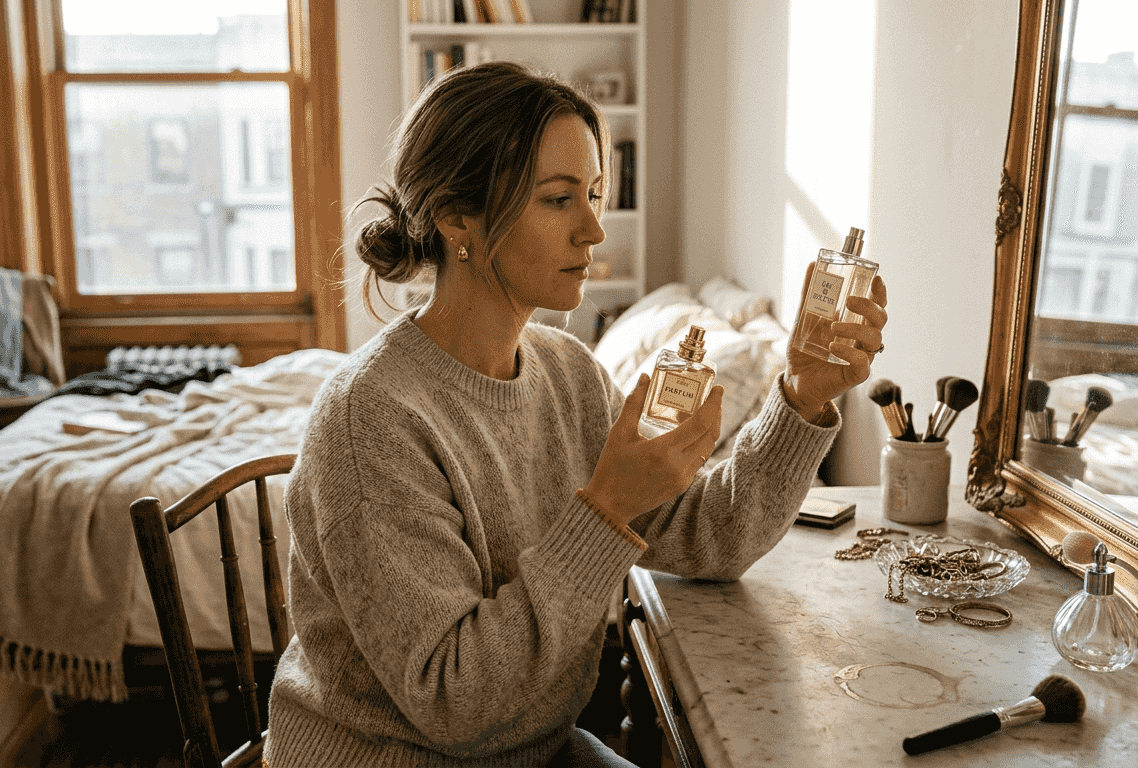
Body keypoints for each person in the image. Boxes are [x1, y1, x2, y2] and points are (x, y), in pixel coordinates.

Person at [264, 61, 888, 767]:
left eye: (593, 193)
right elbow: (454, 701)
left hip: (534, 747)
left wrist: (803, 395)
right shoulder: (370, 419)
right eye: (559, 199)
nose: (594, 227)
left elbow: (706, 538)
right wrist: (606, 508)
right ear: (455, 217)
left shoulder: (569, 373)